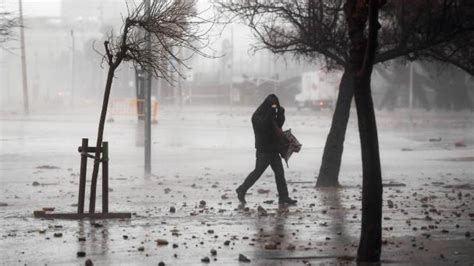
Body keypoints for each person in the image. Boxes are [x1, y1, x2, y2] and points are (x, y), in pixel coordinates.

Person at [236, 94, 297, 205]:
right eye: (272, 105)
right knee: (257, 173)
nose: (273, 108)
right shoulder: (257, 116)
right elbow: (263, 127)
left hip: (273, 150)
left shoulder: (272, 115)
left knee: (280, 174)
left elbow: (279, 125)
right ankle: (242, 189)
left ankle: (283, 197)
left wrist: (281, 113)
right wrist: (271, 113)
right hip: (263, 151)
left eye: (275, 105)